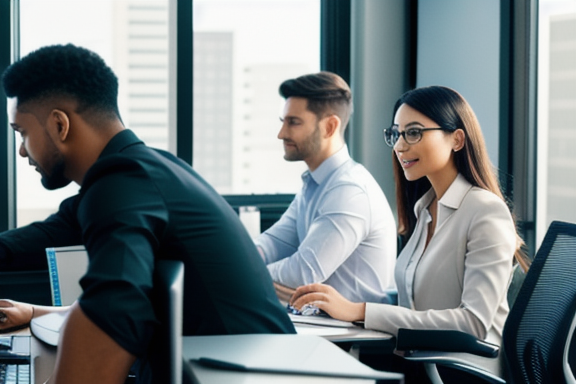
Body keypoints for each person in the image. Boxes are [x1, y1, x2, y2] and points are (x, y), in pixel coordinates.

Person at [0, 44, 295, 384]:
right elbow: (52, 232)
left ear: (59, 124)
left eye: (22, 133)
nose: (22, 150)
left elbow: (115, 311)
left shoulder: (122, 183)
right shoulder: (138, 172)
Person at [290, 85, 529, 348]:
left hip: (462, 371)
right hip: (420, 361)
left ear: (457, 140)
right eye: (396, 134)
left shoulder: (485, 211)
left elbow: (473, 323)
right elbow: (415, 303)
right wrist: (336, 306)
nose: (400, 146)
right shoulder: (426, 208)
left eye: (414, 133)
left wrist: (360, 311)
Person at [254, 72, 397, 304]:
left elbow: (302, 273)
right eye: (283, 122)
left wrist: (244, 276)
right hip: (321, 325)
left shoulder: (349, 190)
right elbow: (273, 243)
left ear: (330, 126)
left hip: (353, 337)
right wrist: (237, 263)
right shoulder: (315, 184)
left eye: (294, 122)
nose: (282, 134)